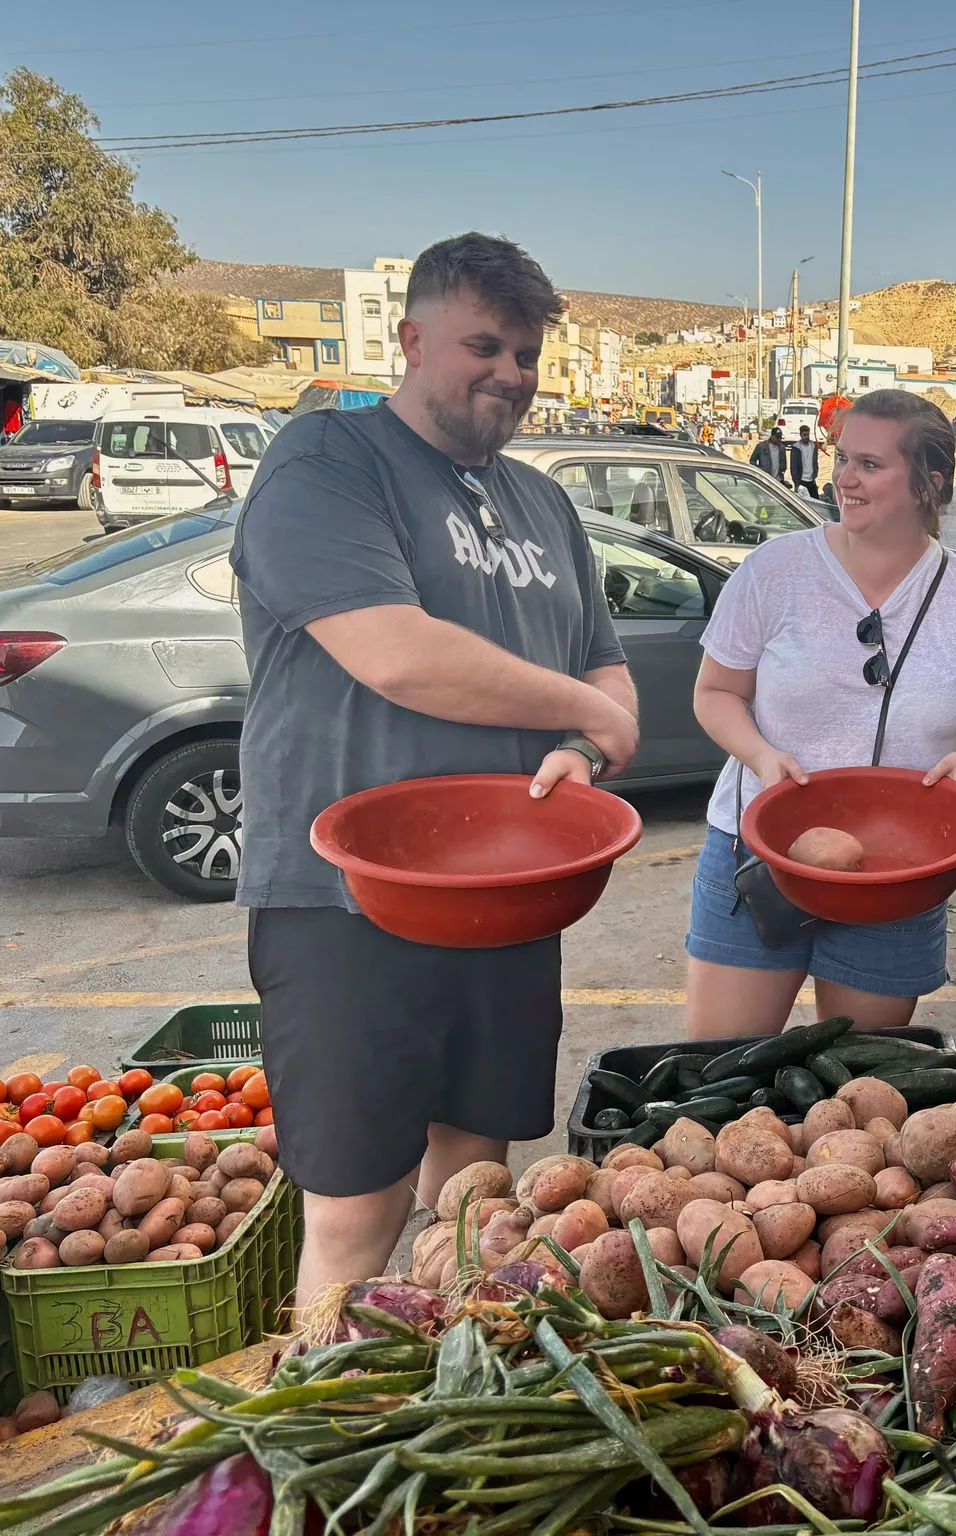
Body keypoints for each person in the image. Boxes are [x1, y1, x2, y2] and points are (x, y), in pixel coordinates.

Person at [230, 233, 639, 1300]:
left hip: (507, 901)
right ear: (410, 340)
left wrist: (583, 740)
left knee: (478, 1200)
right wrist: (589, 709)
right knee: (356, 1209)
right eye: (483, 345)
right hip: (348, 905)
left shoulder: (543, 503)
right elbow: (397, 653)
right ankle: (316, 1436)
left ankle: (452, 1404)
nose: (510, 373)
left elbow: (601, 660)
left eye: (527, 355)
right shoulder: (328, 461)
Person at [687, 390, 956, 1036]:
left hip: (898, 877)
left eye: (870, 465)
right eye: (842, 458)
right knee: (721, 1076)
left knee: (857, 1095)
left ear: (929, 483)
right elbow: (715, 693)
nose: (844, 480)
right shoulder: (775, 571)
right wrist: (760, 754)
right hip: (758, 853)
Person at [787, 425, 822, 497]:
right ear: (800, 435)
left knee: (815, 499)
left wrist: (815, 472)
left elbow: (815, 461)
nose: (806, 437)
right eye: (804, 435)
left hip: (811, 480)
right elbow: (793, 466)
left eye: (808, 434)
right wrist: (796, 483)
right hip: (801, 480)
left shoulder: (813, 446)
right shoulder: (796, 447)